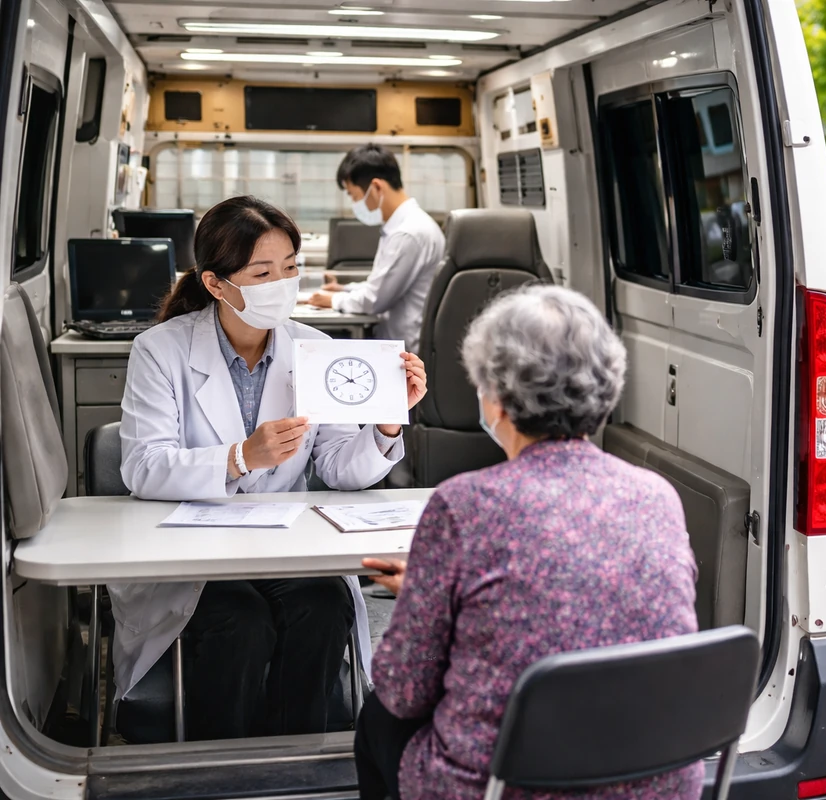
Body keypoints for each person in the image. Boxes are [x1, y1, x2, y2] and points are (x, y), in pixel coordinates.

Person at [354, 285, 702, 800]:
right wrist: (445, 596)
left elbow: (405, 688)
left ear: (495, 396)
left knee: (379, 718)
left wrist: (429, 603)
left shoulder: (463, 506)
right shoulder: (658, 497)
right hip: (658, 780)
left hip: (510, 786)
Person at [112, 195, 429, 741]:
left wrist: (385, 425)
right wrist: (240, 458)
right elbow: (143, 467)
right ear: (216, 284)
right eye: (262, 272)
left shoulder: (314, 348)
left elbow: (337, 466)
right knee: (240, 623)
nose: (282, 284)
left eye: (290, 269)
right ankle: (222, 765)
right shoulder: (159, 351)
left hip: (284, 543)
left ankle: (294, 756)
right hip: (193, 550)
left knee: (325, 606)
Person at [308, 144, 446, 352]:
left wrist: (334, 300)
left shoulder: (408, 234)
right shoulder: (402, 226)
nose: (355, 204)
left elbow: (375, 301)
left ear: (376, 187)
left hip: (406, 351)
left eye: (354, 196)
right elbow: (382, 286)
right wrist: (345, 289)